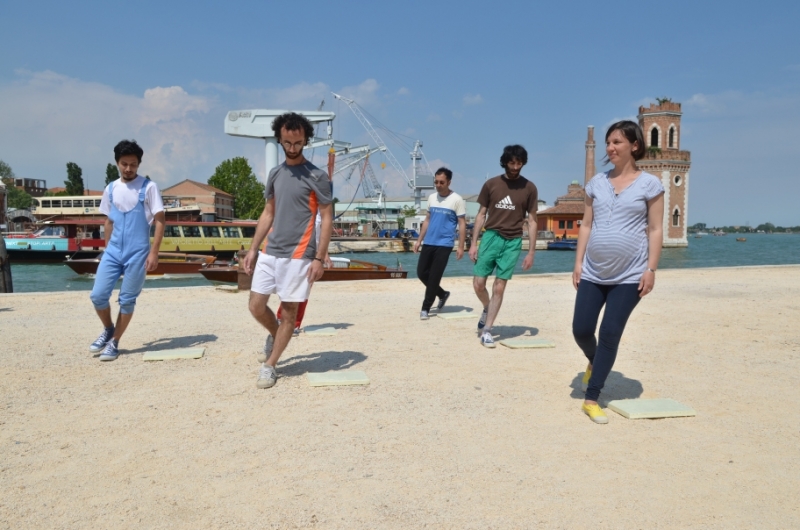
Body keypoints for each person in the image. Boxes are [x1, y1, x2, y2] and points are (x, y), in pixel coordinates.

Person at [572, 120, 665, 424]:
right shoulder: (596, 183)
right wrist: (578, 263)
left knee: (610, 332)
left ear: (634, 146)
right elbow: (586, 224)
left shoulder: (650, 184)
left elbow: (655, 229)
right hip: (593, 271)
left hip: (630, 274)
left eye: (617, 142)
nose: (610, 148)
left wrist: (651, 268)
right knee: (581, 330)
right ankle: (594, 361)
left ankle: (592, 398)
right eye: (608, 142)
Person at [243, 112, 333, 389]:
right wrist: (253, 248)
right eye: (287, 143)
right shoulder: (275, 173)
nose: (292, 148)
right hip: (270, 251)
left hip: (299, 255)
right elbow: (268, 212)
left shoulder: (318, 176)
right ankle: (276, 334)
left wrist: (319, 257)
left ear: (306, 140)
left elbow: (327, 217)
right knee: (256, 306)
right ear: (279, 140)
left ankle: (270, 366)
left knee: (290, 313)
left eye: (298, 143)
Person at [88, 140, 165, 361]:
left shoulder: (148, 187)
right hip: (113, 252)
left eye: (133, 164)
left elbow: (160, 220)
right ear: (117, 163)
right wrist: (107, 250)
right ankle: (108, 329)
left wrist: (154, 252)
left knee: (127, 299)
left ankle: (114, 342)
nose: (129, 168)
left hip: (138, 253)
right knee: (97, 296)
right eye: (124, 164)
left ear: (139, 164)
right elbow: (108, 222)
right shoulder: (111, 189)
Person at [469, 145, 538, 348]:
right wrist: (473, 244)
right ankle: (487, 307)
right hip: (491, 237)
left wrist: (531, 252)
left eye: (519, 163)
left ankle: (487, 330)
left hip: (513, 241)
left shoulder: (529, 188)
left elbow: (532, 221)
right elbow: (481, 215)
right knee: (478, 284)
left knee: (499, 286)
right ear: (505, 162)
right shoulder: (491, 184)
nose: (515, 167)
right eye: (512, 163)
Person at [413, 167, 466, 320]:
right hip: (429, 241)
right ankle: (442, 294)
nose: (438, 185)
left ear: (449, 182)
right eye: (436, 182)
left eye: (441, 182)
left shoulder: (457, 200)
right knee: (421, 273)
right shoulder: (431, 198)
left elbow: (462, 224)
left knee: (434, 276)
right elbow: (427, 220)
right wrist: (419, 240)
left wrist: (461, 246)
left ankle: (425, 308)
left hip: (445, 244)